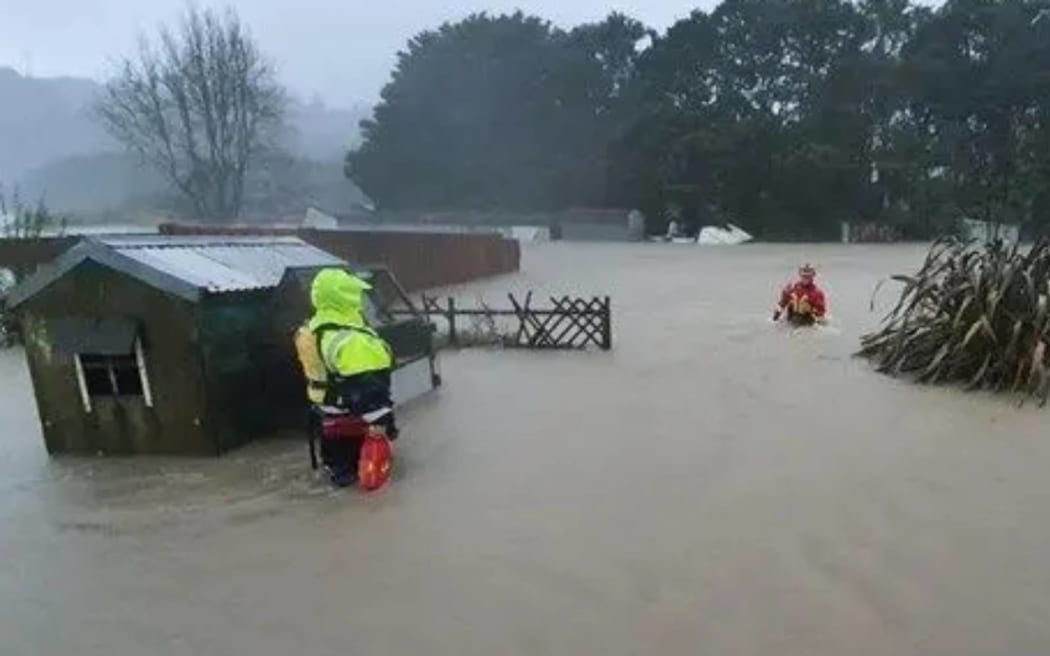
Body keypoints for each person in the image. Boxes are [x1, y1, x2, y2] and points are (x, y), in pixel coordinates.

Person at [294, 268, 396, 487]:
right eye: (355, 294)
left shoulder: (309, 331)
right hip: (352, 423)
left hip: (325, 418)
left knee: (338, 478)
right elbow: (368, 391)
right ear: (347, 297)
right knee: (368, 484)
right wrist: (383, 424)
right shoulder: (352, 340)